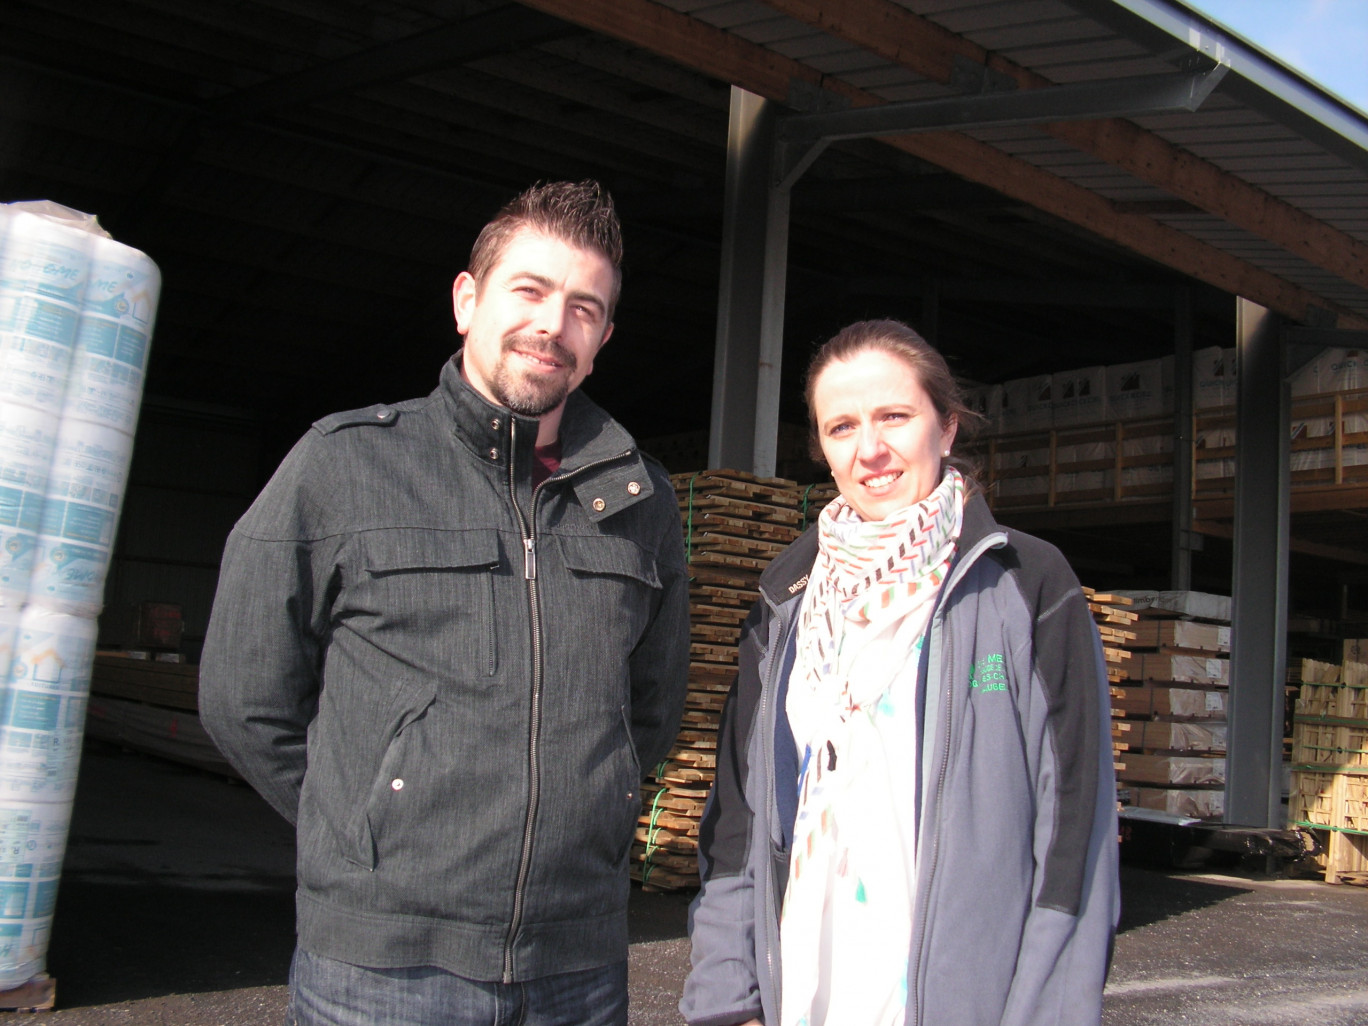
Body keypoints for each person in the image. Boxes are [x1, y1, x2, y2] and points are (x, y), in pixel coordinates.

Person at [199, 180, 691, 1026]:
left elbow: (649, 711)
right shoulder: (344, 466)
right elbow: (243, 696)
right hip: (381, 969)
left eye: (583, 307)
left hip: (577, 966)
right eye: (529, 291)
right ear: (468, 300)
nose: (551, 324)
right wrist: (364, 826)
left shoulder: (641, 500)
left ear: (603, 337)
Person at [680, 319, 1119, 1026]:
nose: (871, 450)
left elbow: (1075, 839)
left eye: (894, 417)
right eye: (842, 427)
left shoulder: (1024, 584)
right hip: (805, 993)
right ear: (822, 448)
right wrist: (728, 1002)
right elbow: (740, 816)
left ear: (946, 428)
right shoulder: (787, 596)